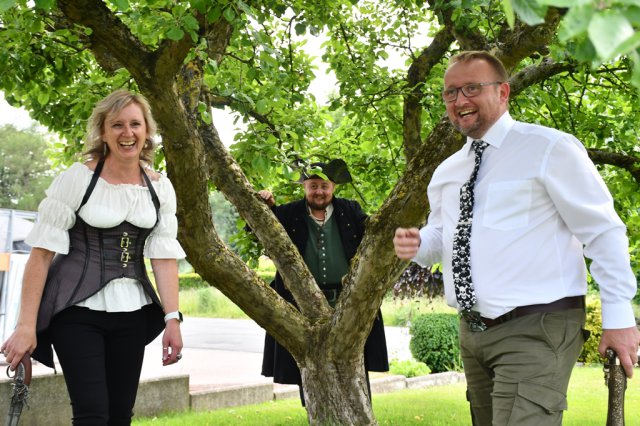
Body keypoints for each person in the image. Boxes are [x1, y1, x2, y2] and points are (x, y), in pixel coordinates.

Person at [393, 51, 640, 425]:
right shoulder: (447, 171)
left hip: (537, 325)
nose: (459, 100)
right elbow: (443, 237)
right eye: (450, 92)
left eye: (471, 88)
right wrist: (417, 243)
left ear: (503, 91)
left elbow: (603, 231)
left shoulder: (550, 148)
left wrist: (618, 317)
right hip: (472, 332)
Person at [1, 90, 186, 425]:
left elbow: (163, 258)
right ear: (103, 131)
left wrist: (172, 319)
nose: (127, 133)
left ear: (147, 131)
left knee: (120, 416)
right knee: (92, 414)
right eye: (117, 125)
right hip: (75, 312)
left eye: (135, 124)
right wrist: (25, 326)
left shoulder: (160, 188)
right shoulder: (78, 179)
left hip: (133, 313)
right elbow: (41, 256)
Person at [258, 159, 389, 405]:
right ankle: (318, 412)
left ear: (334, 187)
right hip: (302, 303)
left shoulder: (350, 210)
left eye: (324, 186)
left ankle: (358, 409)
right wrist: (266, 205)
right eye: (313, 186)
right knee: (310, 362)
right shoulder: (289, 213)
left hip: (347, 301)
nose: (319, 191)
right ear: (305, 187)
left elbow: (376, 233)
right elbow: (258, 227)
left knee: (353, 358)